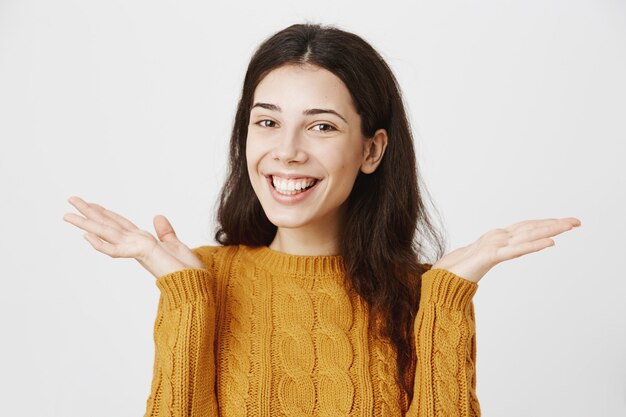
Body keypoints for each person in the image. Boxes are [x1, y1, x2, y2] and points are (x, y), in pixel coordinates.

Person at [63, 23, 581, 417]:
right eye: (267, 121)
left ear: (372, 150)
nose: (286, 151)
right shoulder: (202, 280)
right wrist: (186, 296)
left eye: (321, 127)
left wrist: (445, 301)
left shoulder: (422, 297)